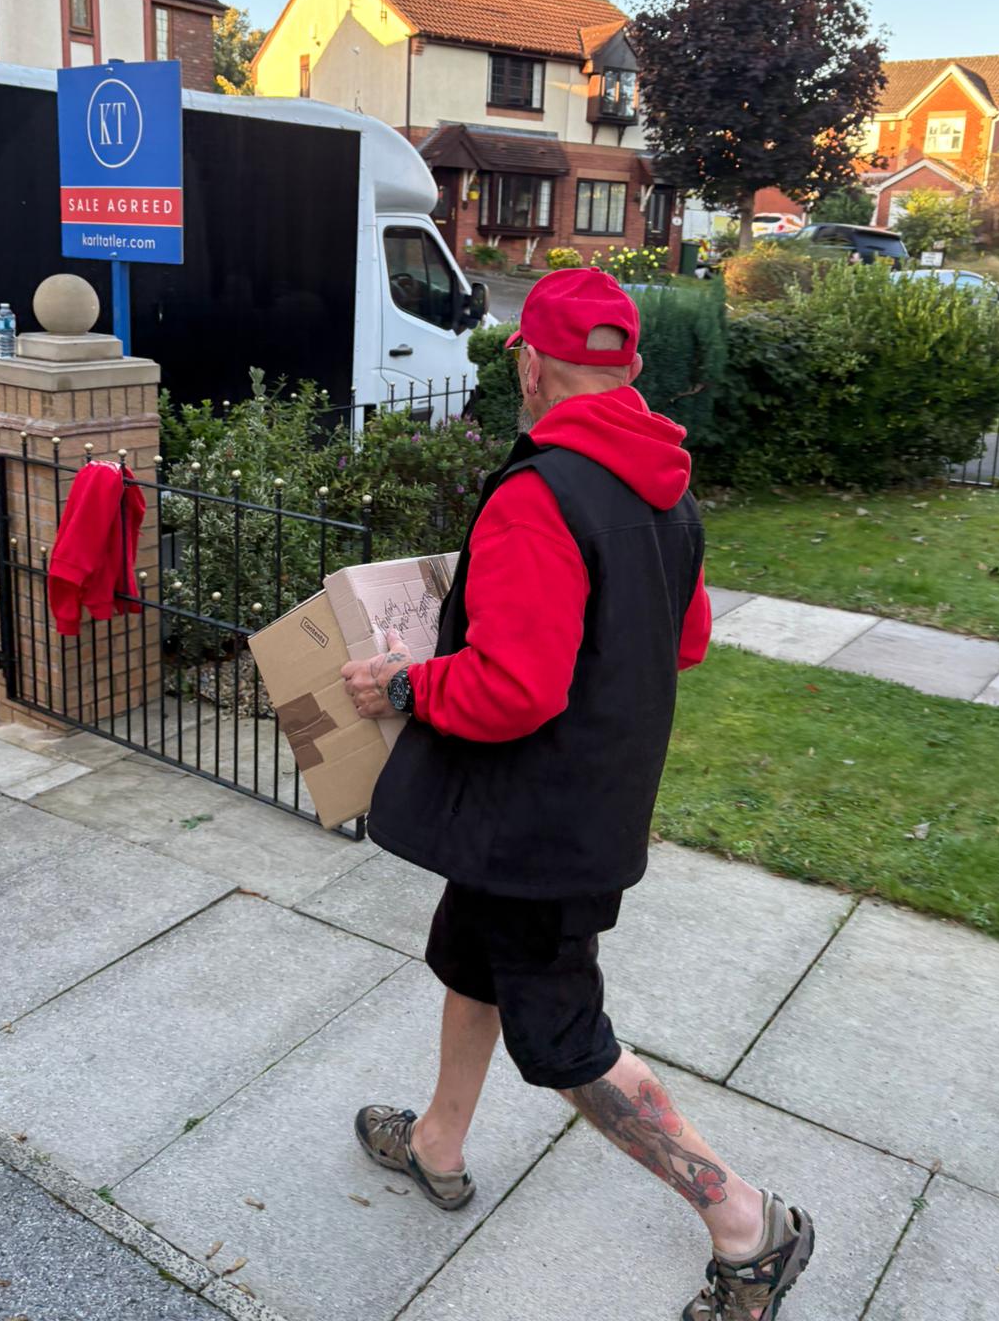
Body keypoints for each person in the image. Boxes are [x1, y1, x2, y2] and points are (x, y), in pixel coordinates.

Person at [340, 269, 814, 1320]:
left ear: (531, 362)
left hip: (535, 823)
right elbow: (682, 639)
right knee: (470, 955)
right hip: (579, 801)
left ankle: (747, 1224)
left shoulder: (538, 493)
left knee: (564, 1041)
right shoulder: (665, 482)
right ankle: (437, 1144)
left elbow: (513, 687)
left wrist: (406, 680)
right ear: (631, 368)